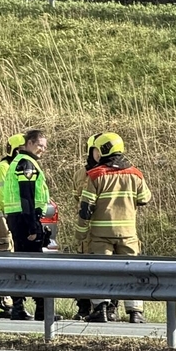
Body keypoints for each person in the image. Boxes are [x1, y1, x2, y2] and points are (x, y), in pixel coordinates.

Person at [77, 133, 152, 324]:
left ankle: (101, 308)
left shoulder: (95, 175)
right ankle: (135, 312)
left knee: (101, 271)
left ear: (102, 150)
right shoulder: (135, 174)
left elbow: (86, 207)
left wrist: (81, 231)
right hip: (128, 234)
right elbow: (145, 198)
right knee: (132, 273)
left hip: (101, 235)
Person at [3, 129, 59, 321]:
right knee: (33, 266)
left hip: (19, 218)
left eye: (44, 146)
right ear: (28, 144)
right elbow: (26, 196)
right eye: (39, 145)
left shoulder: (20, 162)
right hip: (24, 219)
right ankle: (37, 308)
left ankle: (27, 307)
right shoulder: (27, 164)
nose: (42, 149)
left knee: (24, 264)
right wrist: (33, 226)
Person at [0, 132, 25, 318]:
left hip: (9, 218)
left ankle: (5, 301)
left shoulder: (16, 168)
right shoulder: (4, 168)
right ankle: (0, 302)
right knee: (2, 260)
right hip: (0, 219)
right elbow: (2, 197)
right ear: (15, 151)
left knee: (9, 260)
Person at [71, 133, 102, 320]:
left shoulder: (115, 173)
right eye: (97, 151)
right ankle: (83, 307)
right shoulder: (81, 174)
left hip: (103, 233)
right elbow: (78, 200)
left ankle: (108, 307)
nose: (100, 155)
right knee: (83, 269)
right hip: (87, 230)